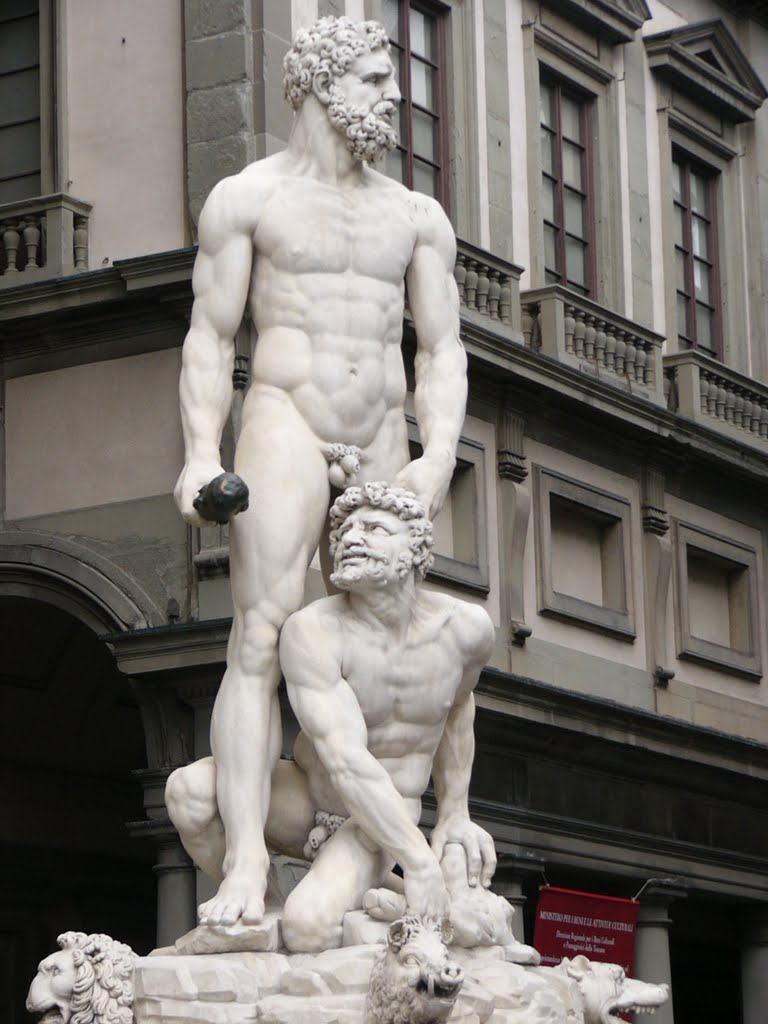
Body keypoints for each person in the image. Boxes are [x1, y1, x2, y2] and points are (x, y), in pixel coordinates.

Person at [172, 15, 467, 928]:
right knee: (259, 639)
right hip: (286, 420)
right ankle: (248, 864)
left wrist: (439, 456)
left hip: (381, 428)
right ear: (322, 84)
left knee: (389, 640)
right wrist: (199, 458)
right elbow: (212, 339)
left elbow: (443, 349)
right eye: (377, 78)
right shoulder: (248, 199)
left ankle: (381, 845)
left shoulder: (415, 215)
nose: (393, 93)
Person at [166, 484, 496, 952]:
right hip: (310, 795)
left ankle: (413, 912)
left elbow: (458, 706)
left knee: (311, 928)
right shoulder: (313, 631)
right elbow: (344, 759)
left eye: (375, 528)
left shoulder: (466, 630)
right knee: (188, 792)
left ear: (416, 548)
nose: (351, 538)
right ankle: (264, 910)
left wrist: (454, 811)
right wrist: (421, 864)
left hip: (384, 816)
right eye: (345, 530)